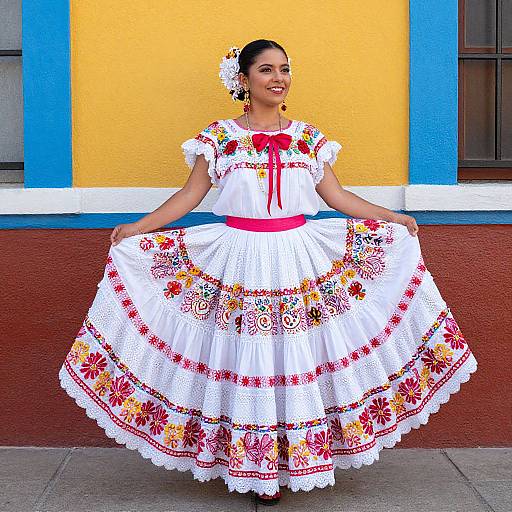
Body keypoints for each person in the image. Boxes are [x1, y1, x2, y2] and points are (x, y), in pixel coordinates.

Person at [58, 39, 478, 506]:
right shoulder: (217, 139)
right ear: (243, 80)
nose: (278, 78)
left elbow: (337, 199)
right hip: (239, 259)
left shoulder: (309, 138)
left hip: (299, 257)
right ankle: (253, 467)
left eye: (284, 69)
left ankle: (288, 462)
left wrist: (391, 216)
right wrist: (137, 228)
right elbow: (189, 197)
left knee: (293, 358)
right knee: (247, 359)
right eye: (266, 70)